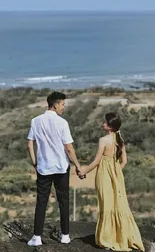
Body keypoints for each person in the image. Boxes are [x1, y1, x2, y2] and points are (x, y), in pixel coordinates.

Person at [79, 112, 144, 251]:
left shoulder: (103, 140)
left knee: (106, 205)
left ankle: (107, 238)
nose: (102, 123)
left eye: (105, 122)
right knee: (119, 205)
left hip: (104, 176)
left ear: (110, 127)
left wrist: (84, 171)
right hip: (117, 177)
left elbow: (96, 161)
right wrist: (115, 173)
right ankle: (122, 237)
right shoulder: (120, 140)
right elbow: (124, 161)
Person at [27, 91, 83, 247]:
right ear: (55, 104)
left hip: (43, 167)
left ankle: (37, 237)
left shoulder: (35, 121)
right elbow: (69, 148)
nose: (64, 108)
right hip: (61, 167)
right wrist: (78, 166)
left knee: (41, 202)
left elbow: (30, 143)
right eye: (63, 104)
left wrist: (34, 162)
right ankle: (65, 236)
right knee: (63, 201)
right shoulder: (62, 123)